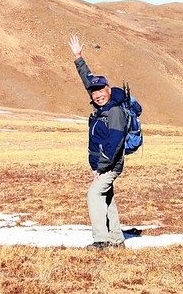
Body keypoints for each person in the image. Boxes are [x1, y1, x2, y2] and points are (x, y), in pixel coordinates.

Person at [68, 35, 128, 250]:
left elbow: (114, 141)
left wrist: (101, 167)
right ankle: (117, 240)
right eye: (94, 93)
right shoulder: (101, 107)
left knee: (94, 194)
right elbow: (89, 81)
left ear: (108, 90)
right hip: (102, 164)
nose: (97, 95)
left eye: (101, 91)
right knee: (106, 198)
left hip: (111, 164)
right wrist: (78, 58)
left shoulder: (114, 111)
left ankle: (101, 241)